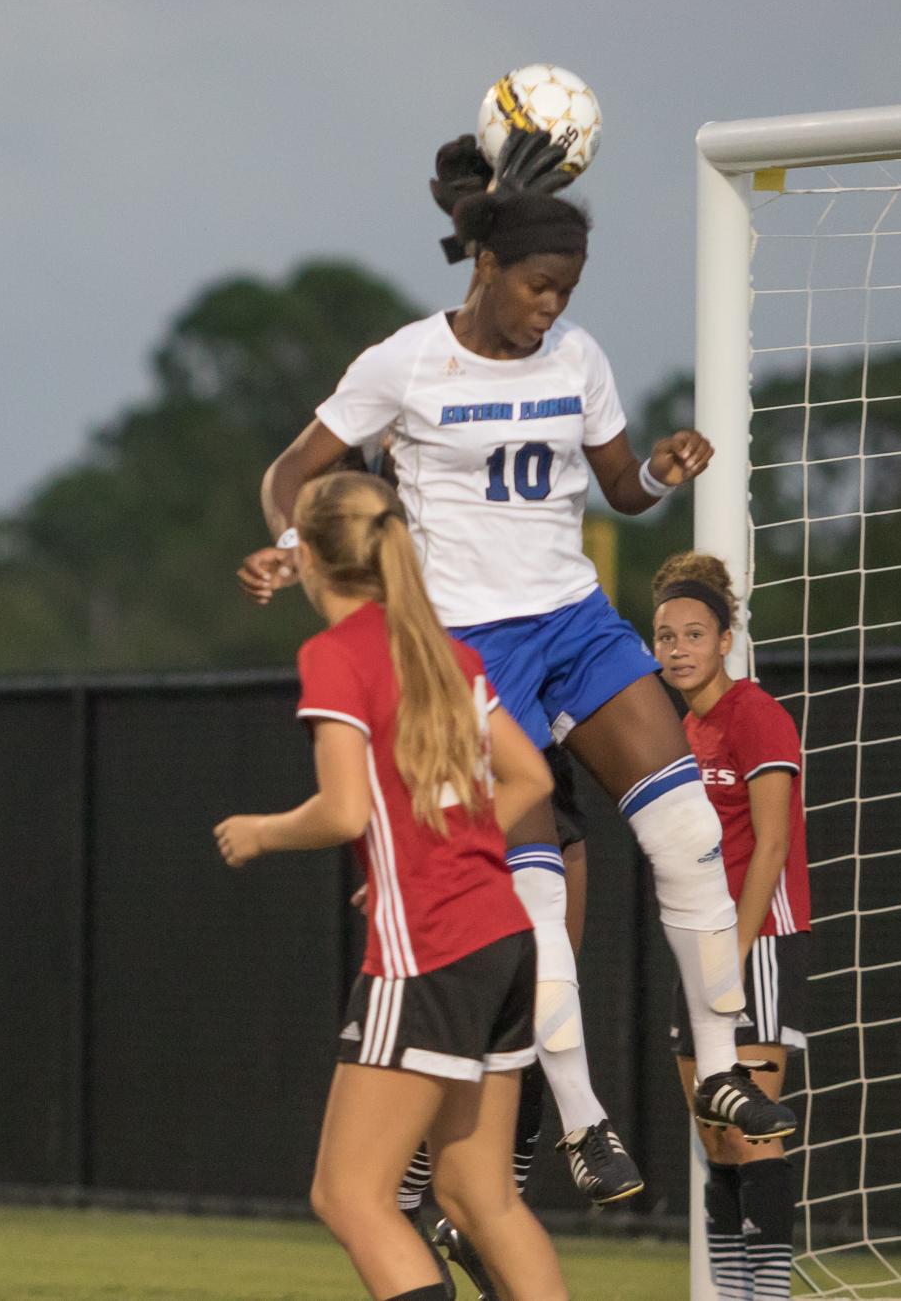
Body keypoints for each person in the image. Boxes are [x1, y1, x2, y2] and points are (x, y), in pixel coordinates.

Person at [236, 164, 797, 1187]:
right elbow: (293, 468)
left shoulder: (577, 354)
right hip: (468, 650)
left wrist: (663, 470)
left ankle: (717, 1067)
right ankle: (583, 1118)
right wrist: (285, 541)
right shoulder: (407, 362)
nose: (553, 306)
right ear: (487, 266)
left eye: (568, 290)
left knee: (689, 831)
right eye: (539, 284)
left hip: (573, 619)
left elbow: (619, 489)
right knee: (532, 899)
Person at [216, 469, 567, 1301]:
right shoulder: (442, 650)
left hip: (433, 952)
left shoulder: (336, 654)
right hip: (504, 938)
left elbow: (342, 811)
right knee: (482, 1195)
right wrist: (425, 861)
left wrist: (261, 832)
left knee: (349, 1195)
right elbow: (530, 781)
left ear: (310, 558)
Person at [652, 552, 812, 1301]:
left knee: (753, 1134)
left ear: (725, 640)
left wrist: (734, 954)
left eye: (693, 633)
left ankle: (766, 1296)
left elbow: (773, 844)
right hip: (704, 947)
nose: (678, 648)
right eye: (665, 636)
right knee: (715, 1136)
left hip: (756, 944)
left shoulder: (757, 714)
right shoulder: (685, 727)